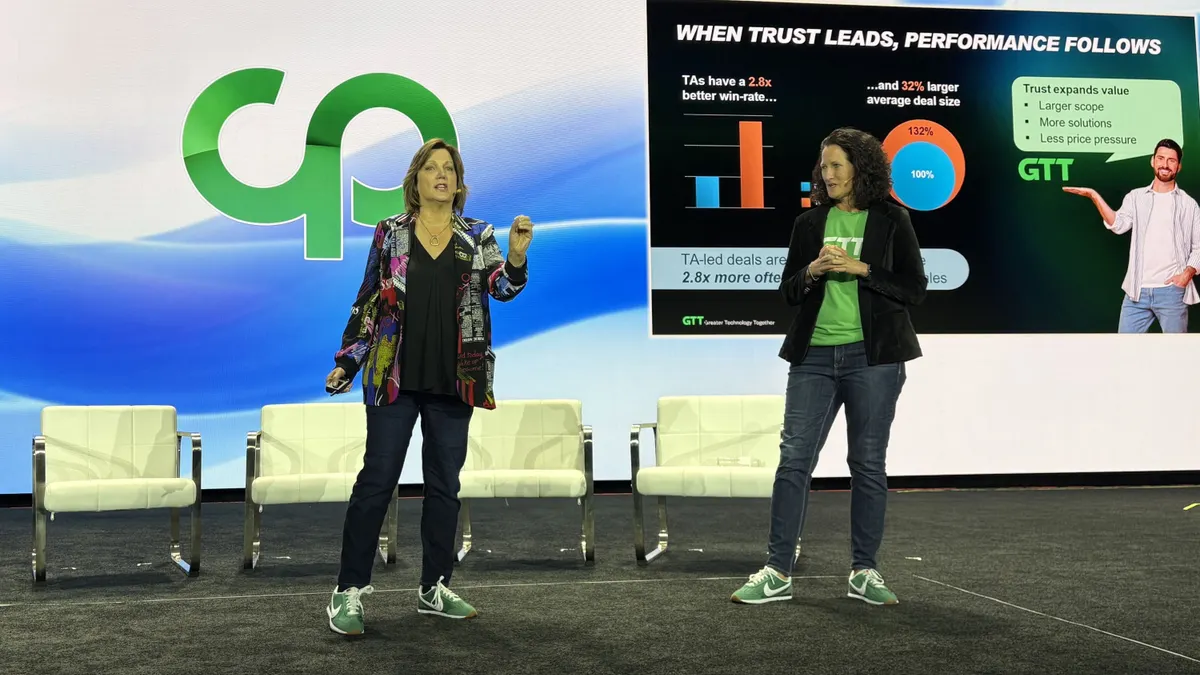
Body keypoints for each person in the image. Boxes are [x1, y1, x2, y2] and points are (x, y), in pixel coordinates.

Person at [323, 138, 533, 634]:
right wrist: (348, 361)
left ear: (459, 184)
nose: (442, 175)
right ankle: (348, 590)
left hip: (454, 378)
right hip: (393, 377)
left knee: (445, 488)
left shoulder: (477, 234)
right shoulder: (390, 232)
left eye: (450, 169)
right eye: (432, 168)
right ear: (415, 181)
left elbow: (501, 289)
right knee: (376, 482)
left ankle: (434, 586)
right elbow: (369, 300)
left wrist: (518, 258)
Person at [730, 127, 927, 607]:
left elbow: (914, 288)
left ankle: (865, 571)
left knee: (867, 464)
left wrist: (861, 270)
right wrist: (815, 270)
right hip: (813, 356)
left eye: (838, 164)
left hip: (874, 358)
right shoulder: (809, 223)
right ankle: (777, 571)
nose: (828, 173)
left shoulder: (892, 218)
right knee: (794, 461)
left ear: (861, 167)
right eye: (824, 166)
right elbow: (790, 291)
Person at [1063, 138, 1200, 333]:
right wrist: (1094, 196)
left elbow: (1199, 247)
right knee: (1124, 352)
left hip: (1172, 293)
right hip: (1137, 292)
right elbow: (1118, 225)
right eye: (1161, 158)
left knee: (1176, 354)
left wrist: (1185, 276)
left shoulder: (1189, 204)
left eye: (1171, 160)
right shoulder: (1136, 198)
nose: (1165, 164)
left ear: (1179, 166)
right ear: (1152, 161)